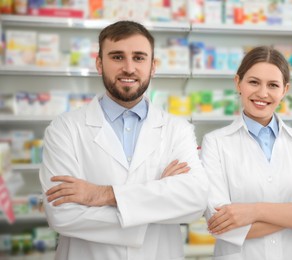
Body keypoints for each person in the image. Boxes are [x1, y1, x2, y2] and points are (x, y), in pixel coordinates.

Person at [39, 20, 209, 260]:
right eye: (117, 57)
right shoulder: (65, 129)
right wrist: (160, 197)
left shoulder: (178, 129)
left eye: (139, 58)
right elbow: (62, 214)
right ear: (99, 64)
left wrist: (102, 195)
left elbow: (195, 202)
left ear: (153, 66)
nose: (129, 68)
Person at [201, 46, 292, 260]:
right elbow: (222, 226)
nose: (262, 93)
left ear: (284, 90)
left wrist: (254, 212)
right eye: (254, 82)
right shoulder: (215, 143)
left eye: (273, 85)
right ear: (238, 83)